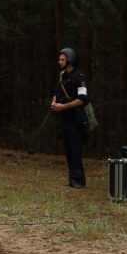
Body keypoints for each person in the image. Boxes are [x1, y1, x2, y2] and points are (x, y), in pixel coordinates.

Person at [51, 47, 89, 188]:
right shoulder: (62, 76)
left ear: (70, 60)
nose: (59, 62)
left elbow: (83, 99)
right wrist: (54, 102)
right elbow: (56, 90)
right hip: (65, 118)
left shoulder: (80, 77)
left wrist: (63, 107)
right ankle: (73, 179)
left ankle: (79, 180)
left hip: (77, 118)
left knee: (75, 149)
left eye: (62, 59)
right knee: (68, 149)